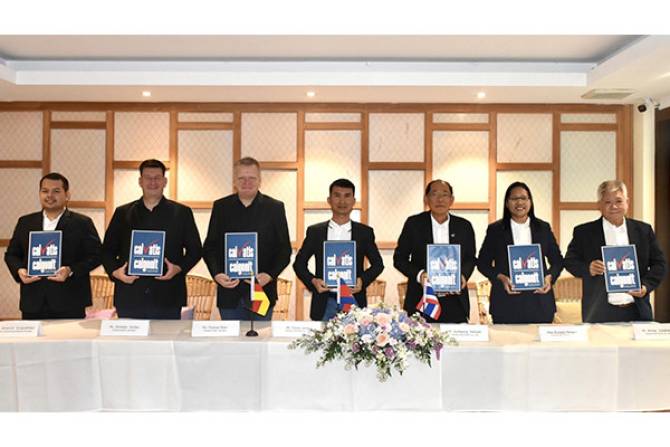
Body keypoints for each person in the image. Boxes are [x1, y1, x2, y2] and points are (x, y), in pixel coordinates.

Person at [101, 159, 202, 319]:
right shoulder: (123, 213)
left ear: (164, 181)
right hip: (130, 294)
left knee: (167, 336)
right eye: (148, 178)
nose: (153, 182)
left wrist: (178, 268)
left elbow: (195, 250)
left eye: (157, 178)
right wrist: (115, 272)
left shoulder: (182, 213)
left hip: (168, 295)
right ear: (140, 181)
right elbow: (107, 250)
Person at [564, 180, 666, 323]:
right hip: (599, 313)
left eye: (619, 201)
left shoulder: (643, 230)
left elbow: (660, 264)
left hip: (637, 311)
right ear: (599, 205)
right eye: (607, 202)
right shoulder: (584, 232)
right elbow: (569, 261)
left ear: (627, 202)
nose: (614, 206)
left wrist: (645, 286)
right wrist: (588, 268)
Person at [203, 157, 291, 320]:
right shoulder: (221, 207)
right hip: (230, 291)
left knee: (260, 335)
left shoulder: (274, 208)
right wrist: (216, 274)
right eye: (241, 178)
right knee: (232, 337)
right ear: (234, 181)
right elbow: (210, 247)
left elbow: (284, 249)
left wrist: (269, 275)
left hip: (261, 290)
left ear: (260, 180)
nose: (247, 182)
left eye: (252, 178)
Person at [4, 172, 102, 319]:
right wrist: (19, 271)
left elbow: (97, 255)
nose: (49, 195)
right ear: (39, 194)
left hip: (70, 301)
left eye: (56, 191)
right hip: (33, 301)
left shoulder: (82, 223)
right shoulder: (25, 222)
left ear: (67, 195)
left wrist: (70, 270)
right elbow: (12, 254)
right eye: (45, 191)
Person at [293, 178, 384, 320]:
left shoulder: (364, 232)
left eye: (347, 196)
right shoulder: (316, 232)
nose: (342, 201)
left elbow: (378, 264)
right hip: (324, 301)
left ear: (353, 201)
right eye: (337, 195)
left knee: (355, 335)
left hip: (353, 299)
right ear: (329, 200)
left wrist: (362, 281)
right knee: (322, 335)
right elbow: (299, 264)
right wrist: (313, 281)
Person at [476, 182, 563, 324]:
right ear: (507, 203)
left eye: (524, 198)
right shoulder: (496, 230)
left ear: (530, 202)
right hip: (506, 303)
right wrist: (501, 278)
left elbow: (558, 261)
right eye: (514, 199)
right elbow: (482, 263)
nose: (520, 202)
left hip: (539, 302)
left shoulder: (543, 228)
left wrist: (549, 277)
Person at [393, 180, 476, 323]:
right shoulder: (414, 224)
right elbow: (399, 259)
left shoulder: (464, 226)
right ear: (426, 199)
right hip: (422, 299)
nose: (440, 199)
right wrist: (420, 275)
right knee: (420, 337)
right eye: (434, 194)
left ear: (452, 200)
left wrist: (463, 275)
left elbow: (470, 258)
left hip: (455, 301)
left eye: (445, 194)